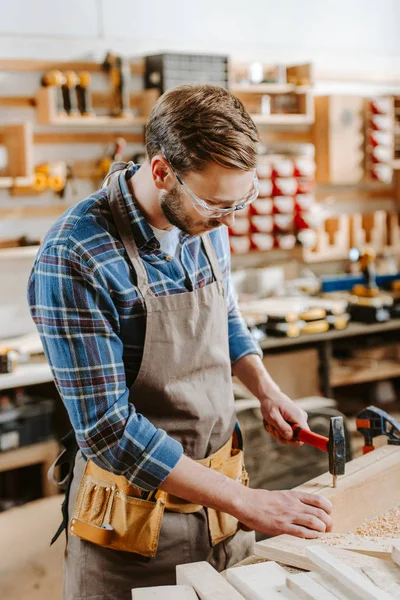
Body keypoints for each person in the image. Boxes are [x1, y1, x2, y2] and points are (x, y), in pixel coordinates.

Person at [28, 84, 332, 600]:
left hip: (224, 517)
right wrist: (248, 501)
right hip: (134, 533)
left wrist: (265, 388)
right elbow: (108, 432)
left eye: (243, 200)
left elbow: (225, 315)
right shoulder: (75, 255)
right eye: (218, 204)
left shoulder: (207, 219)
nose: (230, 221)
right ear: (162, 171)